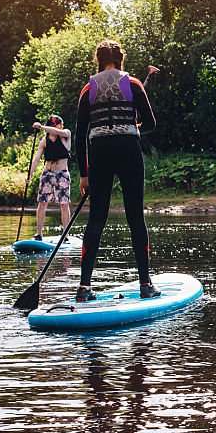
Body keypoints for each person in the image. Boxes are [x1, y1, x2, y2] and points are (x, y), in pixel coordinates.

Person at [73, 39, 158, 302]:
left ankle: (84, 288)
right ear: (120, 59)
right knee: (135, 217)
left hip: (99, 152)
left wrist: (84, 174)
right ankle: (145, 284)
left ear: (98, 60)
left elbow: (79, 135)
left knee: (96, 218)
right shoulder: (133, 84)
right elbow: (151, 124)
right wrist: (134, 125)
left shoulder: (89, 88)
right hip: (128, 149)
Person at [28, 115, 72, 241]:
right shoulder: (44, 140)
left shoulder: (65, 135)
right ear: (53, 124)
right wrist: (30, 174)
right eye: (58, 123)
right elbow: (36, 159)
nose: (61, 125)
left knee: (64, 204)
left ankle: (65, 234)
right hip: (47, 174)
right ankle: (39, 234)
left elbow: (57, 132)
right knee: (42, 203)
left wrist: (41, 127)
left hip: (62, 174)